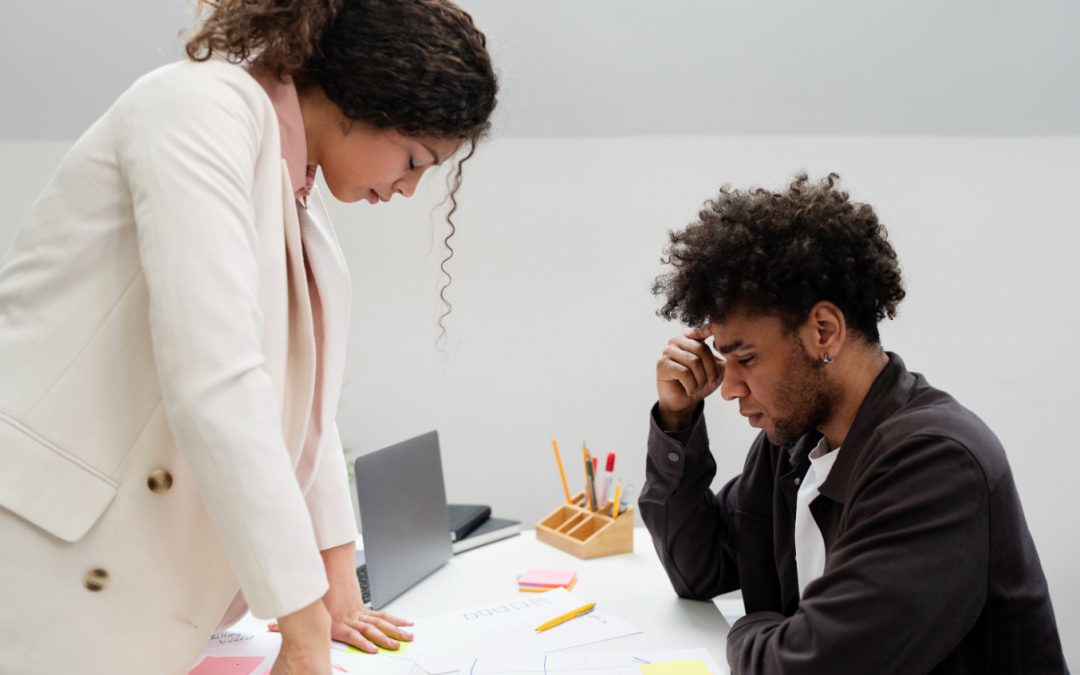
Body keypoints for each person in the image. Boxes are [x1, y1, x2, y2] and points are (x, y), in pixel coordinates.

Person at [0, 1, 496, 673]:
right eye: (415, 159)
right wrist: (301, 623)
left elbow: (304, 411)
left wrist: (336, 586)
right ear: (372, 95)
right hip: (44, 545)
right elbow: (217, 380)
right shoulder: (199, 108)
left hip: (127, 567)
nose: (408, 188)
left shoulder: (296, 195)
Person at [641, 174, 1066, 674]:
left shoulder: (936, 462)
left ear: (824, 331)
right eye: (723, 359)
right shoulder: (795, 443)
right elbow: (699, 570)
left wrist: (752, 625)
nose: (729, 387)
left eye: (747, 358)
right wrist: (678, 418)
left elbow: (807, 665)